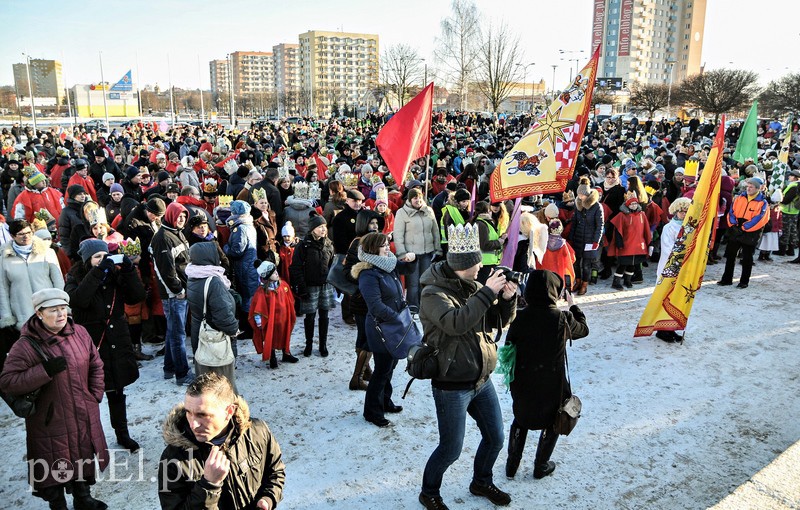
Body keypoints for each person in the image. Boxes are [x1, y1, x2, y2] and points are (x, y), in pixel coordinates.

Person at [418, 223, 518, 510]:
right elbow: (457, 323)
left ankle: (481, 481)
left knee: (495, 437)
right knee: (450, 449)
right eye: (475, 263)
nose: (480, 268)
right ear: (462, 264)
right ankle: (429, 492)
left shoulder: (474, 286)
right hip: (451, 384)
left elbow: (495, 321)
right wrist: (487, 293)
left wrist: (507, 300)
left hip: (481, 379)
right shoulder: (432, 294)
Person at [0, 289, 109, 510]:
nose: (61, 314)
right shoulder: (26, 345)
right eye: (53, 310)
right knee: (54, 465)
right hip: (50, 418)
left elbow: (96, 364)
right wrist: (44, 371)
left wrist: (95, 394)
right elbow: (8, 381)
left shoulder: (80, 332)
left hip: (82, 410)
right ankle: (57, 504)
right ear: (39, 313)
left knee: (82, 455)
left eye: (63, 308)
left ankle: (83, 498)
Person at [504, 270, 589, 480]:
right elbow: (583, 330)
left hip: (523, 380)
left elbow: (509, 346)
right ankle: (540, 466)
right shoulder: (561, 318)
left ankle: (511, 464)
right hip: (553, 382)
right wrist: (574, 306)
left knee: (520, 419)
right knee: (553, 421)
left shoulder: (520, 316)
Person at [158, 372, 285, 510]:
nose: (193, 424)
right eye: (188, 412)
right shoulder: (173, 458)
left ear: (229, 411)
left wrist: (268, 498)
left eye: (202, 415)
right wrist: (209, 485)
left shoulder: (257, 432)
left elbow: (275, 471)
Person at [65, 238, 146, 454]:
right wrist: (98, 272)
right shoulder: (75, 277)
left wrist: (128, 271)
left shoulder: (114, 275)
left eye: (104, 256)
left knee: (117, 391)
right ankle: (90, 439)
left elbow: (136, 297)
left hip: (116, 340)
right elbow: (78, 300)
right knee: (89, 396)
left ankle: (122, 434)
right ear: (86, 260)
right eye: (96, 257)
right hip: (91, 343)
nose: (102, 261)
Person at [351, 232, 405, 427]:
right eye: (383, 245)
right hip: (380, 328)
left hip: (393, 325)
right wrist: (397, 317)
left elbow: (410, 270)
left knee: (390, 367)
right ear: (373, 248)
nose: (387, 247)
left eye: (387, 243)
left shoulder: (388, 265)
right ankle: (372, 411)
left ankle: (385, 401)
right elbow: (375, 306)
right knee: (382, 369)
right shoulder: (368, 274)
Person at [186, 242, 240, 393]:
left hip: (200, 333)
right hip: (215, 337)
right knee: (223, 384)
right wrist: (233, 329)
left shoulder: (193, 275)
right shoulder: (213, 281)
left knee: (205, 384)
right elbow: (222, 315)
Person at [151, 201, 194, 385]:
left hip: (182, 291)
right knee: (178, 334)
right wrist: (178, 290)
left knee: (172, 332)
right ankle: (182, 373)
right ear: (170, 216)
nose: (182, 220)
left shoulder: (177, 234)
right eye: (179, 216)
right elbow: (165, 270)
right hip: (174, 295)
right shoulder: (163, 238)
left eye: (184, 217)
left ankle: (169, 368)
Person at [0, 219, 65, 332]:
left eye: (28, 232)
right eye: (21, 234)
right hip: (22, 313)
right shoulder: (4, 259)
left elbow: (58, 281)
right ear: (13, 236)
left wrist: (62, 305)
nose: (26, 237)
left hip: (50, 310)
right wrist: (7, 316)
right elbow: (3, 289)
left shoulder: (47, 252)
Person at [289, 212, 335, 357]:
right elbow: (295, 267)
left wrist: (334, 282)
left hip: (325, 285)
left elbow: (332, 264)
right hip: (310, 286)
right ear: (312, 228)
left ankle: (323, 345)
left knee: (324, 316)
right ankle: (308, 344)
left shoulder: (329, 244)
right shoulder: (303, 245)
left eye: (324, 226)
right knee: (310, 317)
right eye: (320, 227)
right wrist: (301, 287)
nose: (323, 229)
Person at [393, 187, 441, 311]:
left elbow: (435, 231)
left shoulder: (428, 211)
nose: (418, 200)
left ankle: (424, 305)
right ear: (410, 199)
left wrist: (437, 248)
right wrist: (402, 252)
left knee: (425, 280)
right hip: (411, 253)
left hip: (427, 251)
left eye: (419, 197)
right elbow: (398, 235)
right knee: (413, 283)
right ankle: (413, 306)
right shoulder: (402, 212)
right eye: (415, 198)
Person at [718, 177, 770, 289]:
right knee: (731, 255)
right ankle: (726, 279)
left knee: (747, 258)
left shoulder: (763, 202)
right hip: (736, 227)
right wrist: (733, 224)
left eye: (751, 187)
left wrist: (745, 227)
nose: (749, 188)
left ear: (758, 188)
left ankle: (744, 281)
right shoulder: (739, 197)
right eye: (748, 186)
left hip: (751, 231)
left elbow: (761, 218)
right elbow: (731, 211)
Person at [249, 260, 298, 369]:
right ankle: (272, 357)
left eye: (275, 270)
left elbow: (290, 300)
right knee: (270, 337)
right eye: (273, 272)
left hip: (284, 319)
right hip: (271, 321)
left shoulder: (284, 286)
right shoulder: (262, 292)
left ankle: (286, 354)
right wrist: (259, 321)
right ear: (267, 277)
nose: (276, 273)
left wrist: (291, 312)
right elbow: (258, 308)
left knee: (285, 335)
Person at [569, 182, 604, 295]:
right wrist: (571, 237)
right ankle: (578, 281)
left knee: (586, 265)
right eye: (578, 194)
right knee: (576, 262)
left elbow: (600, 225)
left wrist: (596, 241)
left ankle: (584, 284)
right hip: (578, 238)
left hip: (590, 239)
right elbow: (574, 223)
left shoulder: (597, 206)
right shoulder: (578, 204)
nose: (580, 197)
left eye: (582, 194)